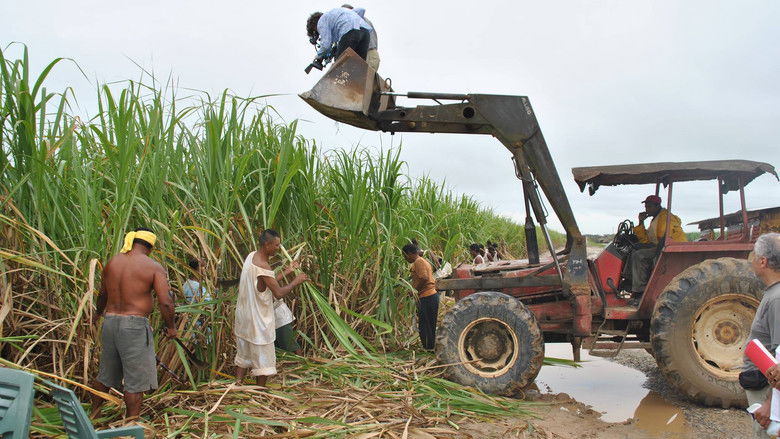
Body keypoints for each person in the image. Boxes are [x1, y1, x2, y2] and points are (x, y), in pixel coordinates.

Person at [90, 228, 177, 419]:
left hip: (110, 322)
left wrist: (98, 314)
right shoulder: (153, 267)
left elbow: (103, 294)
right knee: (136, 382)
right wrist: (171, 327)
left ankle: (93, 417)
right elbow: (165, 301)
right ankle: (131, 426)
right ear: (150, 246)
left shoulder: (113, 262)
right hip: (134, 326)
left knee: (105, 376)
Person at [234, 229, 308, 386]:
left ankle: (238, 383)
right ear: (267, 245)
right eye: (276, 245)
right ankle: (259, 391)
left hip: (244, 317)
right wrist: (296, 281)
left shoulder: (251, 257)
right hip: (258, 321)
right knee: (264, 360)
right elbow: (279, 292)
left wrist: (287, 271)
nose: (278, 248)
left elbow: (264, 282)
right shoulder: (263, 266)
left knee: (243, 351)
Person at [744, 233, 780, 437]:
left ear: (763, 261)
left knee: (764, 435)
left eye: (753, 255)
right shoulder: (773, 294)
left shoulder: (777, 299)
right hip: (762, 384)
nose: (751, 260)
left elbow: (779, 360)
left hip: (765, 388)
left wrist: (769, 405)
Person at [623, 195, 687, 303]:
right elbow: (645, 240)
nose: (646, 209)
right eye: (646, 206)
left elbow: (664, 238)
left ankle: (640, 291)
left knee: (638, 255)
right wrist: (640, 222)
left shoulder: (666, 217)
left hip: (668, 248)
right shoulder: (654, 219)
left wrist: (650, 247)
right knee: (633, 250)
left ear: (657, 206)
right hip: (658, 246)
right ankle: (629, 280)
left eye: (649, 206)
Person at [403, 241, 438, 350]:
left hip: (427, 297)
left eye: (404, 255)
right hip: (429, 296)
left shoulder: (419, 262)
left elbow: (423, 277)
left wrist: (414, 290)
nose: (405, 258)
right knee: (428, 324)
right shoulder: (422, 261)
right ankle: (431, 347)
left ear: (409, 253)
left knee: (425, 325)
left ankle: (429, 348)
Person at [306, 8, 372, 65]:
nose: (320, 34)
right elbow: (361, 9)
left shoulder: (321, 21)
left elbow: (326, 44)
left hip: (350, 32)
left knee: (339, 65)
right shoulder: (337, 13)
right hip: (365, 32)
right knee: (359, 66)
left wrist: (318, 56)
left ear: (314, 26)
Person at [274, 261, 304, 356]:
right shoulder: (255, 276)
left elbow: (276, 290)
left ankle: (302, 365)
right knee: (279, 348)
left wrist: (289, 271)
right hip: (270, 320)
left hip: (279, 318)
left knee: (290, 345)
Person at [341, 4, 379, 70]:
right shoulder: (361, 20)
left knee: (362, 78)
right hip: (370, 54)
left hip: (369, 54)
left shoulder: (357, 20)